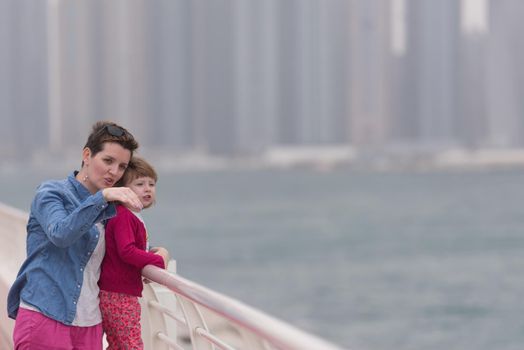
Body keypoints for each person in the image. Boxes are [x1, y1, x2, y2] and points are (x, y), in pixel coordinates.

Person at [7, 120, 143, 350]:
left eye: (122, 166)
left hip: (90, 324)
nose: (114, 172)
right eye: (108, 161)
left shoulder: (111, 209)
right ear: (87, 155)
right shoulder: (51, 193)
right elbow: (60, 233)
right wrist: (102, 198)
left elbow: (123, 248)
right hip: (45, 316)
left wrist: (157, 253)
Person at [98, 156, 169, 349]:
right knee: (130, 344)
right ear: (123, 190)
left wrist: (151, 251)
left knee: (119, 344)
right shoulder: (123, 216)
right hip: (119, 294)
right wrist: (158, 259)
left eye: (151, 184)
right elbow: (127, 251)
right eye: (140, 184)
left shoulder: (128, 215)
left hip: (116, 292)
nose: (147, 189)